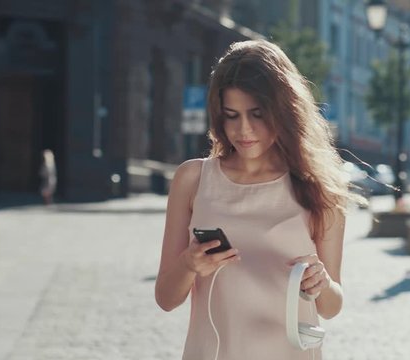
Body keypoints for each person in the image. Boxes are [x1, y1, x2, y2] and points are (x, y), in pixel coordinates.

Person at [154, 40, 363, 359]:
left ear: (283, 111)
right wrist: (189, 264)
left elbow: (332, 306)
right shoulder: (193, 179)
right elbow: (166, 298)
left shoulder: (319, 187)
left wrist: (320, 282)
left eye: (257, 114)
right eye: (231, 115)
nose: (244, 129)